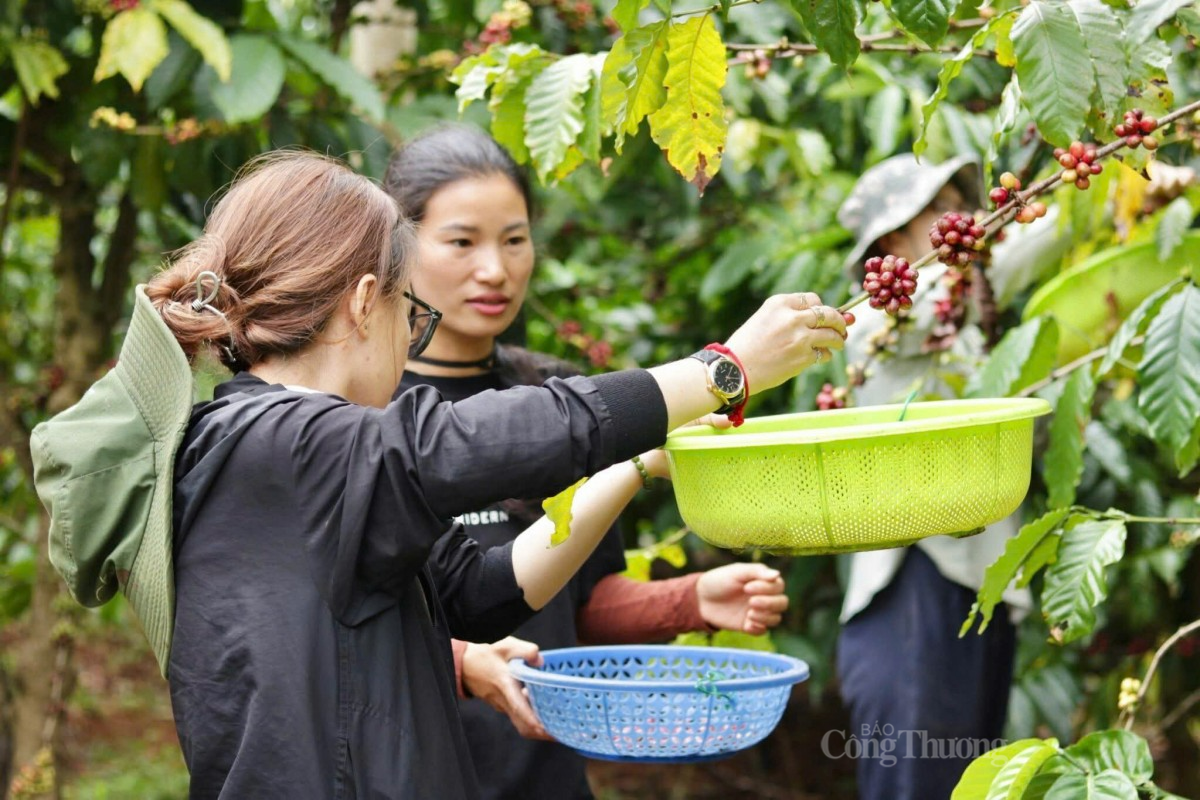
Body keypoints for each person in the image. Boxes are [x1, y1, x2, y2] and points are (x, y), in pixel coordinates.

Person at [30, 151, 848, 799]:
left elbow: (483, 590)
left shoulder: (301, 461)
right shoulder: (273, 444)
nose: (409, 336)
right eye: (408, 311)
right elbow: (475, 441)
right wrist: (723, 369)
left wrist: (633, 462)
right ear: (364, 303)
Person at [385, 125, 792, 799]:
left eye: (514, 240)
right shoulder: (367, 414)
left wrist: (690, 599)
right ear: (398, 247)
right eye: (461, 242)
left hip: (545, 774)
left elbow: (578, 604)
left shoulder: (566, 402)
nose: (496, 270)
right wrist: (459, 662)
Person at [833, 154, 1032, 800]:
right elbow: (937, 304)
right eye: (941, 207)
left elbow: (1007, 267)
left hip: (980, 586)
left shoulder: (963, 323)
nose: (964, 218)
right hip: (911, 591)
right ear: (895, 235)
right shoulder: (878, 323)